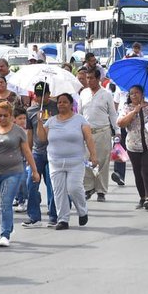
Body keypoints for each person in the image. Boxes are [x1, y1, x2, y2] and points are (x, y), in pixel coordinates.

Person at [36, 93, 96, 230]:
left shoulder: (80, 120)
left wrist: (93, 155)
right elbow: (42, 138)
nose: (61, 104)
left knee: (74, 188)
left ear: (71, 104)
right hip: (55, 162)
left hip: (75, 161)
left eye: (64, 102)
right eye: (59, 102)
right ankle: (63, 219)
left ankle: (82, 210)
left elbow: (89, 138)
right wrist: (39, 122)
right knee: (59, 191)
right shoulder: (51, 121)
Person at [0, 101, 39, 247]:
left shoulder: (18, 131)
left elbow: (26, 151)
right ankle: (9, 225)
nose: (2, 118)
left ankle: (5, 234)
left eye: (5, 116)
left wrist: (34, 170)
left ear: (11, 116)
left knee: (5, 203)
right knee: (0, 202)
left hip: (14, 171)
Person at [117, 85, 148, 211]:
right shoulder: (127, 108)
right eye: (131, 93)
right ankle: (142, 197)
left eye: (137, 93)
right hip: (134, 146)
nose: (134, 95)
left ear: (142, 94)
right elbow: (121, 123)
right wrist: (134, 112)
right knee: (137, 173)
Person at [22, 82, 58, 228]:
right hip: (37, 152)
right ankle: (34, 216)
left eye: (43, 94)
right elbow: (29, 134)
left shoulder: (56, 107)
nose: (39, 97)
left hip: (53, 151)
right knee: (31, 183)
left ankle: (53, 215)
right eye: (37, 95)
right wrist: (28, 155)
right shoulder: (31, 111)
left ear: (49, 94)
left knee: (51, 183)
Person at [80, 68, 119, 202]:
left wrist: (117, 131)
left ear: (98, 79)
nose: (89, 81)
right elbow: (79, 113)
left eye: (91, 78)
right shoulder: (83, 93)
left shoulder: (106, 94)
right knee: (87, 161)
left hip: (103, 131)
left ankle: (101, 191)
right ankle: (89, 187)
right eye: (87, 78)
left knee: (102, 162)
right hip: (86, 132)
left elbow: (113, 114)